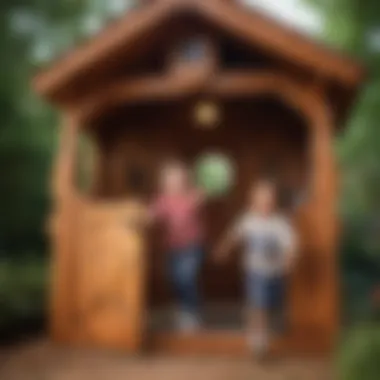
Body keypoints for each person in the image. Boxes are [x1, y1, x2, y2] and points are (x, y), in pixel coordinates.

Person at [214, 180, 297, 356]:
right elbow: (234, 235)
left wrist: (289, 260)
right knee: (257, 304)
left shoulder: (280, 223)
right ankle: (258, 339)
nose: (265, 205)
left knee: (272, 304)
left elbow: (290, 244)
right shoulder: (248, 220)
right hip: (254, 271)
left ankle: (264, 328)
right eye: (261, 201)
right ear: (253, 202)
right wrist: (223, 249)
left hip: (275, 272)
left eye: (269, 201)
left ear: (275, 203)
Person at [150, 160, 206, 332]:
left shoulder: (192, 196)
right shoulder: (162, 200)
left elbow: (201, 196)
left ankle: (191, 313)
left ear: (185, 182)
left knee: (186, 277)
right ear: (163, 183)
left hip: (192, 246)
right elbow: (151, 214)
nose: (174, 184)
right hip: (173, 248)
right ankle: (183, 310)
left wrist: (196, 196)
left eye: (178, 180)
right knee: (175, 279)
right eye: (170, 180)